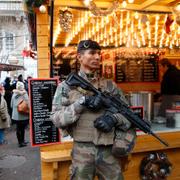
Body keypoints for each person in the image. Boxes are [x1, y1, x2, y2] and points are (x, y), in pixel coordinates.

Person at [51, 40, 135, 180]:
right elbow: (56, 118)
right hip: (81, 152)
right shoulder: (66, 87)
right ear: (79, 57)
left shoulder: (110, 86)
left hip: (109, 151)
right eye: (92, 53)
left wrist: (113, 119)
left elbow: (129, 115)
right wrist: (80, 103)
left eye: (98, 53)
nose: (97, 57)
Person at [11, 81, 29, 147]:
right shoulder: (24, 93)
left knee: (18, 128)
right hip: (23, 114)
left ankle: (20, 142)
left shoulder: (14, 94)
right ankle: (22, 141)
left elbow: (11, 105)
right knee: (22, 128)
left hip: (16, 115)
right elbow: (28, 102)